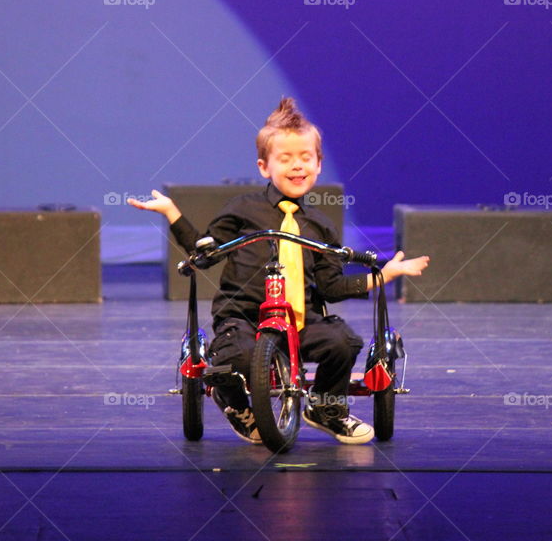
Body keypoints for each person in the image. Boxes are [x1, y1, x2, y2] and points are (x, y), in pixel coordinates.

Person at [129, 98, 428, 443]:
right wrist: (172, 213)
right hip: (244, 316)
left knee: (342, 342)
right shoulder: (242, 209)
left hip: (301, 320)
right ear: (264, 166)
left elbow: (331, 287)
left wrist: (385, 275)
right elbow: (206, 253)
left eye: (305, 158)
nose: (297, 166)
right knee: (234, 354)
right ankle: (238, 407)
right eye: (285, 159)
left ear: (318, 165)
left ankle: (325, 407)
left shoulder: (319, 225)